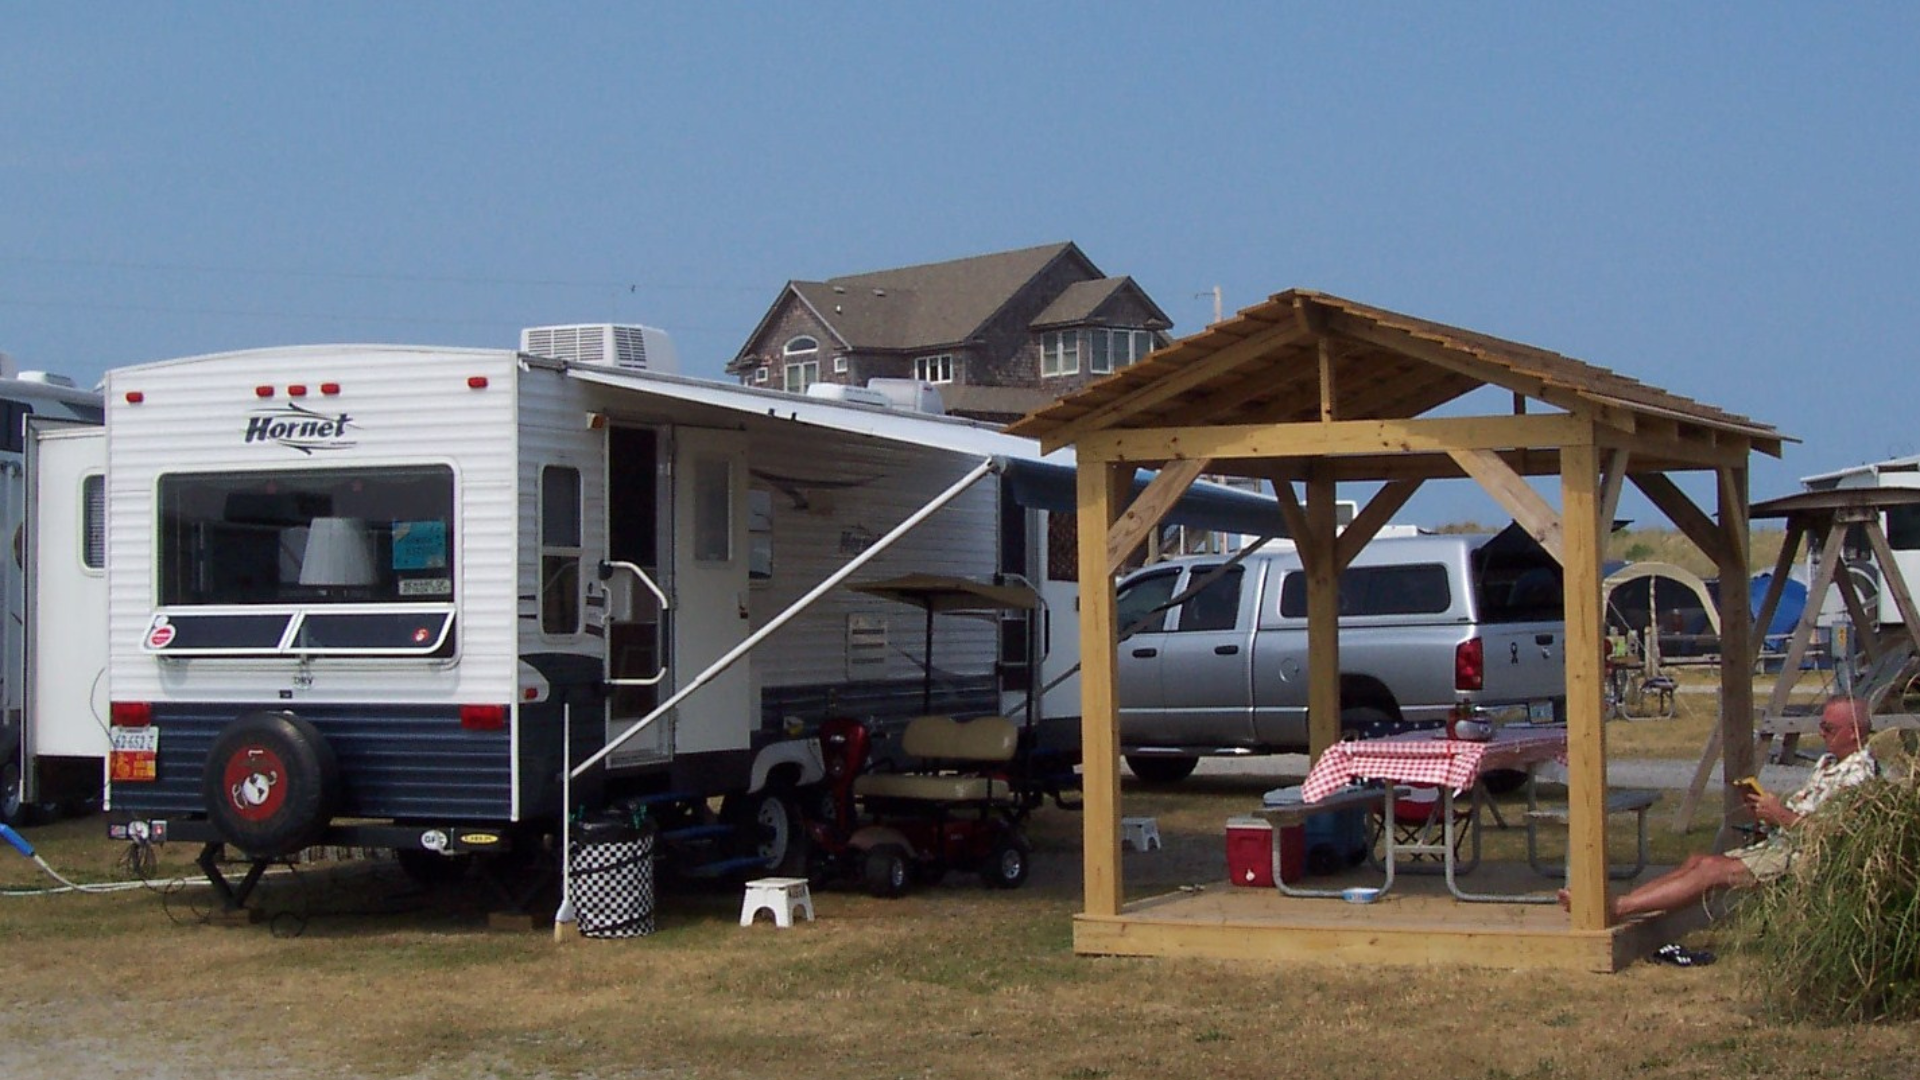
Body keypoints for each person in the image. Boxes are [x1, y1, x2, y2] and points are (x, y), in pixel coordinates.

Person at [1559, 695, 1877, 921]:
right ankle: (1620, 905)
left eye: (1828, 729)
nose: (1821, 734)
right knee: (1699, 860)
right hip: (1782, 842)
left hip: (1803, 857)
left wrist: (1781, 815)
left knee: (1711, 871)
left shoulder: (1860, 776)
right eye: (1820, 727)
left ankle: (1616, 909)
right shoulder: (1831, 762)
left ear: (1854, 732)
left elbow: (1834, 836)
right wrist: (1766, 815)